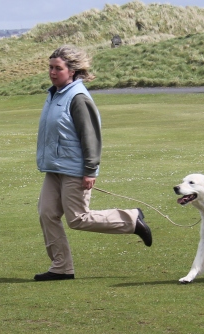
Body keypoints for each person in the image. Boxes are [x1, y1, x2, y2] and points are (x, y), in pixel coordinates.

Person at [34, 45, 152, 281]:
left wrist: (90, 170)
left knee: (77, 218)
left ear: (73, 71)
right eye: (50, 67)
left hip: (75, 170)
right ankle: (61, 267)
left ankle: (131, 220)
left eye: (58, 68)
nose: (52, 72)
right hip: (54, 169)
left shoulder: (77, 98)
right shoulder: (54, 94)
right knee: (47, 213)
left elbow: (91, 137)